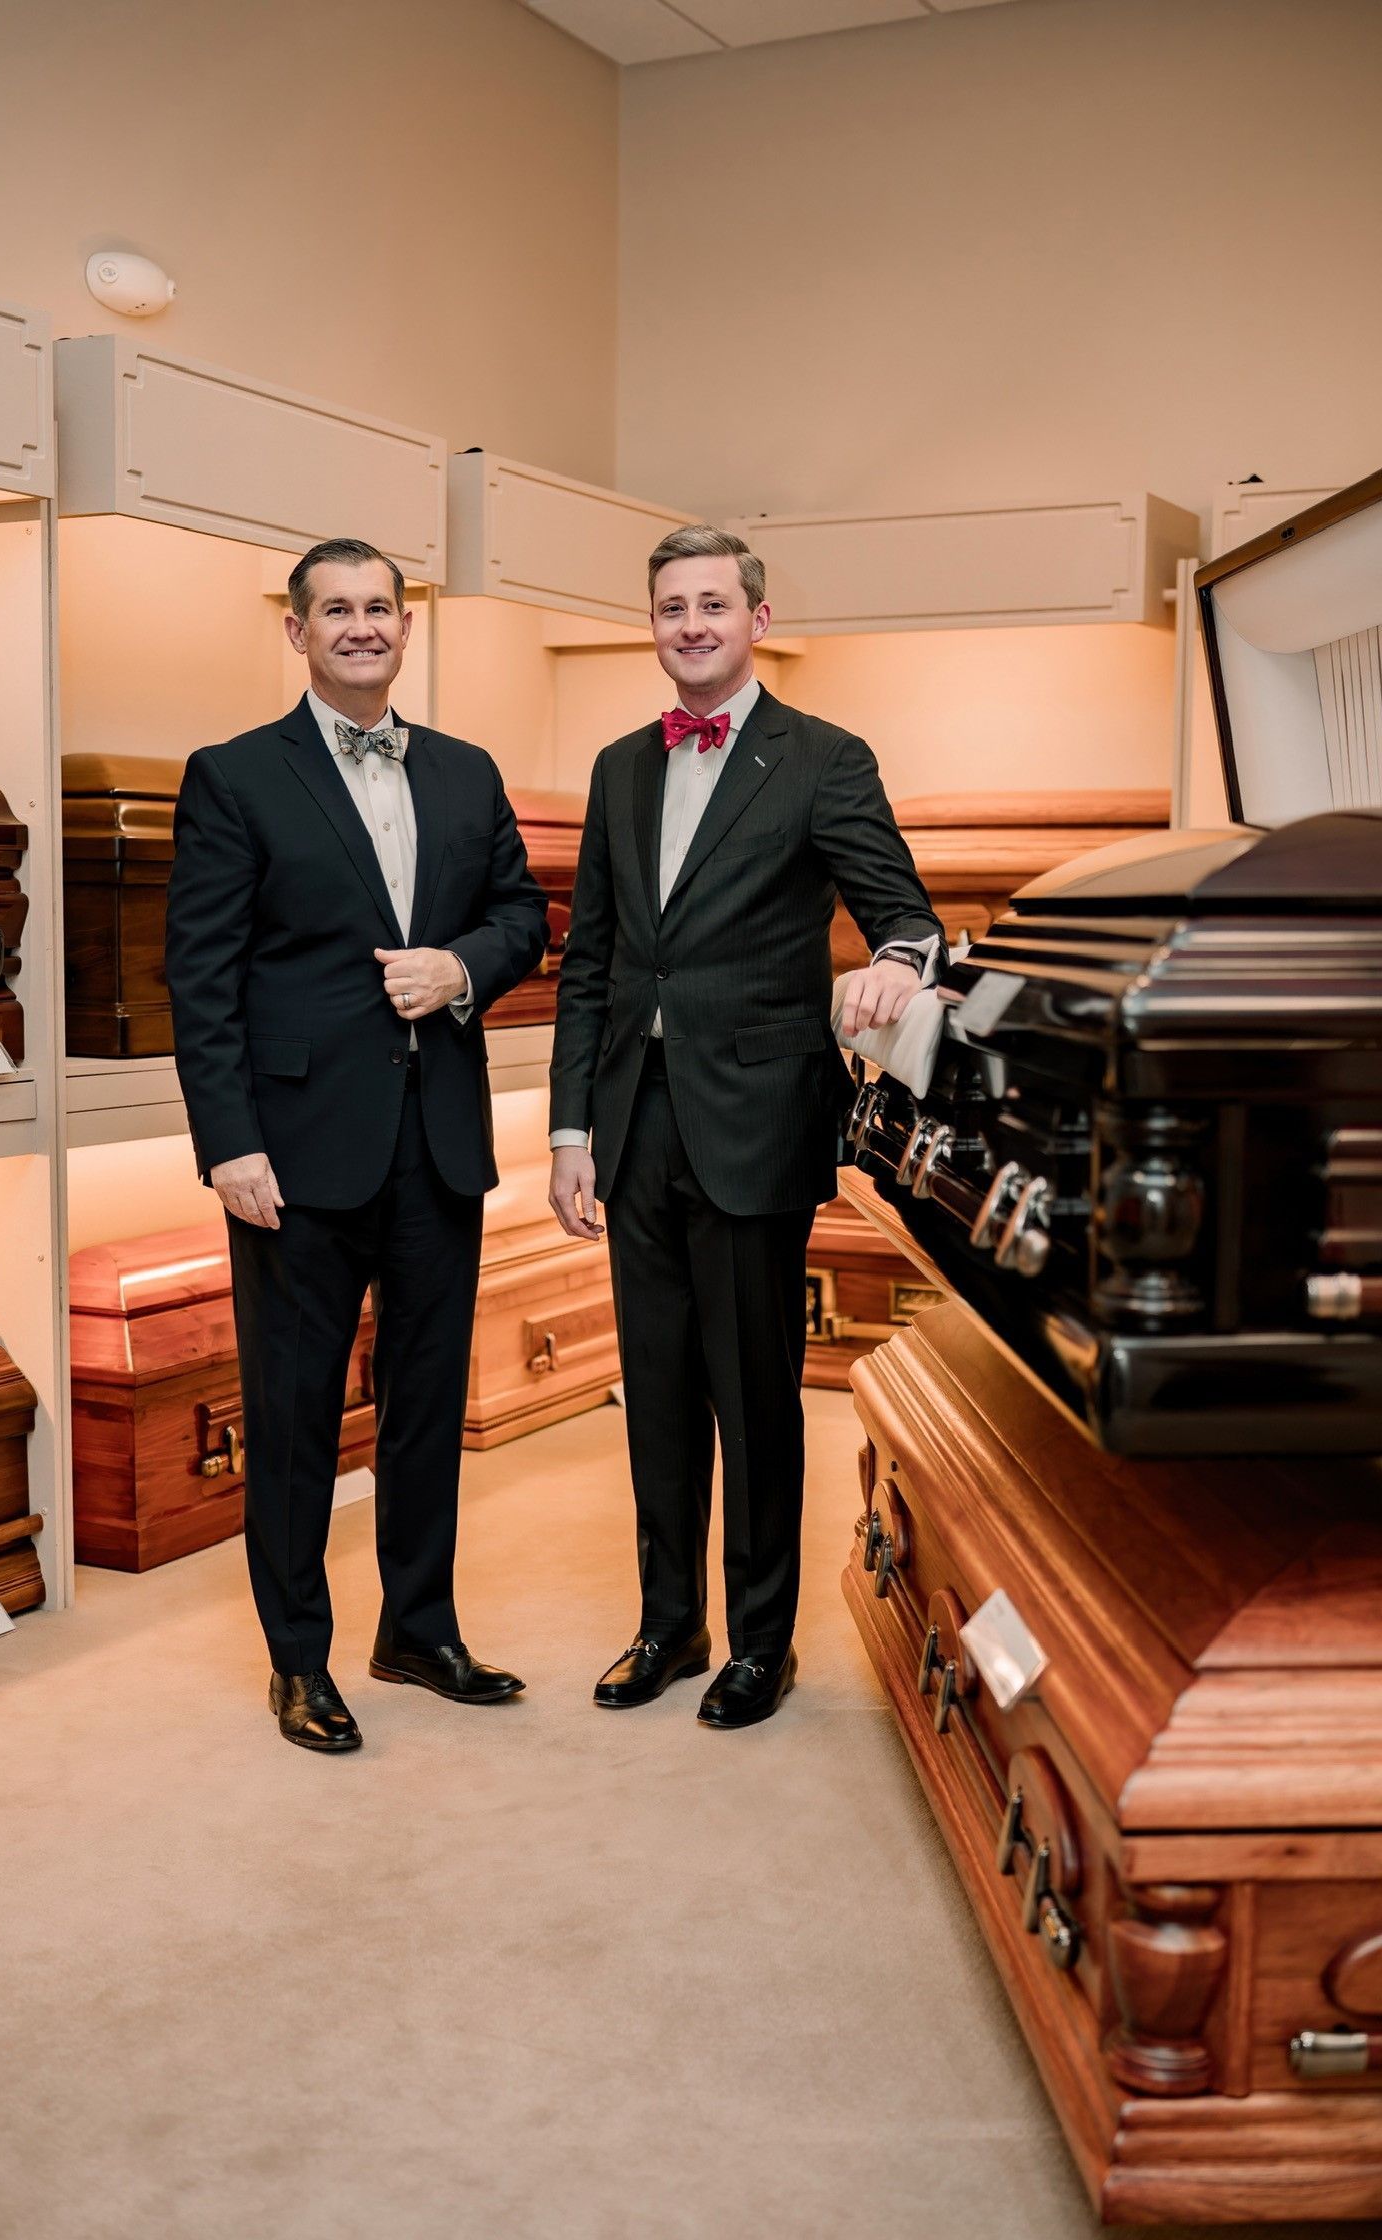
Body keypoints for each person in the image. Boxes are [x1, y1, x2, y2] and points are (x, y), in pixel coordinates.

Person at [548, 525, 942, 1730]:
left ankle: (762, 1641)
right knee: (655, 1390)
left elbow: (906, 915)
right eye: (671, 607)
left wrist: (894, 966)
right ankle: (670, 1623)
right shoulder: (619, 768)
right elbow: (593, 964)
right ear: (653, 624)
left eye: (713, 604)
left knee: (752, 1393)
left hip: (759, 1118)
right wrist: (572, 1128)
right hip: (634, 1119)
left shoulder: (823, 757)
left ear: (757, 620)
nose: (691, 625)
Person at [166, 537, 548, 1753]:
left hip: (437, 1137)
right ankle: (297, 1662)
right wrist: (227, 1142)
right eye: (337, 609)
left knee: (428, 1402)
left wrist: (462, 968)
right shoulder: (232, 776)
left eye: (380, 606)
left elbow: (521, 918)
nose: (362, 626)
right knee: (291, 1416)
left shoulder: (467, 769)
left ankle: (418, 1628)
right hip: (293, 1151)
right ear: (298, 631)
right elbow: (202, 974)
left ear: (405, 624)